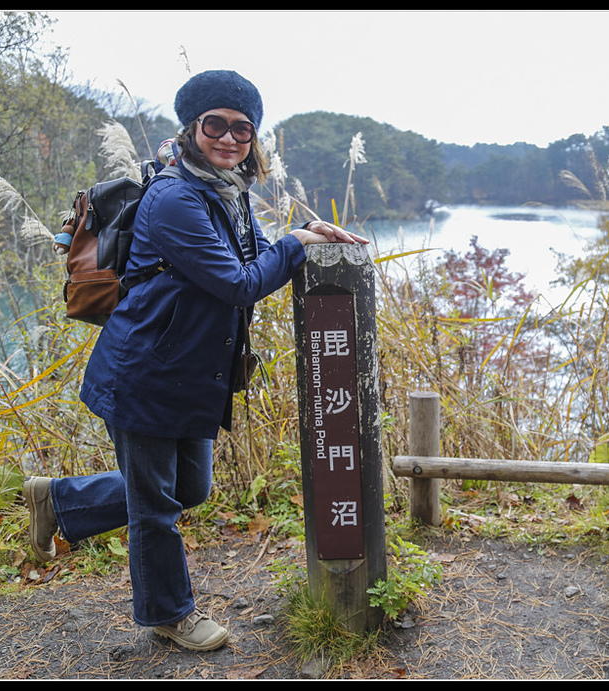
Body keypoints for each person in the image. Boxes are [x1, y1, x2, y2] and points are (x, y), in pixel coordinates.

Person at [22, 70, 366, 652]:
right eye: (216, 125)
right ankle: (170, 615)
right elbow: (237, 283)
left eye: (242, 129)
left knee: (190, 488)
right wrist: (296, 245)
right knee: (156, 506)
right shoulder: (176, 197)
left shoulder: (226, 191)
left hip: (187, 374)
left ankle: (60, 501)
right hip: (146, 373)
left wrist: (304, 230)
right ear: (192, 127)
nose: (229, 138)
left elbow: (256, 250)